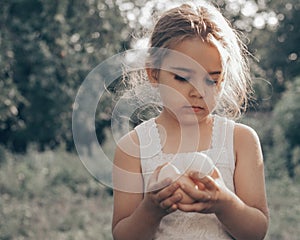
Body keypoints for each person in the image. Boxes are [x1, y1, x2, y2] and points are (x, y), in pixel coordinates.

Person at [111, 1, 269, 239]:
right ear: (153, 74)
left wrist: (224, 203)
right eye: (183, 78)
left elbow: (257, 231)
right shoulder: (132, 148)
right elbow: (122, 235)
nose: (198, 92)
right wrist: (151, 210)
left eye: (211, 80)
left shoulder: (240, 141)